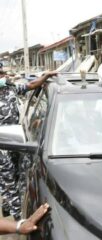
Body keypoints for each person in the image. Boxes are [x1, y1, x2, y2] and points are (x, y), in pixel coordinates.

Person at [0, 71, 57, 220]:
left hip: (16, 140)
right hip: (1, 145)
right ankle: (19, 218)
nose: (1, 77)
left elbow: (31, 85)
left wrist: (45, 77)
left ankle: (7, 206)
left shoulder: (10, 88)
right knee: (8, 181)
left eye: (1, 74)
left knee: (18, 175)